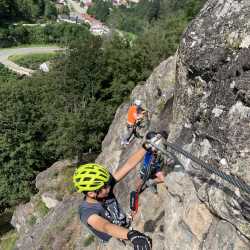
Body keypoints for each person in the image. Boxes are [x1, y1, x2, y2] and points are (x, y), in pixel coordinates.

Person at [73, 147, 152, 250]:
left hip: (127, 231)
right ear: (92, 194)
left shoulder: (103, 190)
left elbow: (128, 165)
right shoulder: (87, 211)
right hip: (117, 243)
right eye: (104, 187)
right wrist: (131, 235)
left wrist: (146, 146)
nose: (109, 187)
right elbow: (106, 226)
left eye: (107, 184)